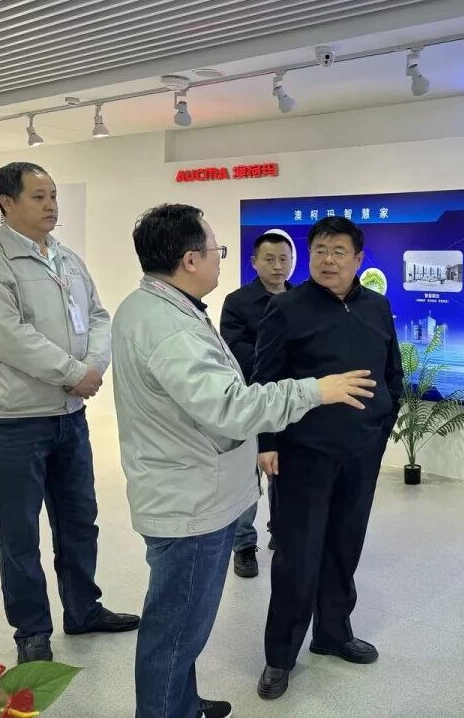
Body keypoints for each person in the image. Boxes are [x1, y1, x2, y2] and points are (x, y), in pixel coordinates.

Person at [111, 204, 375, 718]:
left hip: (187, 485)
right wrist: (314, 391)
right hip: (190, 500)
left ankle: (182, 703)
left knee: (180, 627)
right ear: (190, 259)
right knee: (175, 631)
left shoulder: (157, 308)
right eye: (216, 249)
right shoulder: (173, 329)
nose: (219, 258)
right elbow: (231, 407)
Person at [0, 162, 139, 664]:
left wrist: (93, 367)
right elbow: (8, 337)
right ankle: (31, 632)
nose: (51, 205)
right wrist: (72, 371)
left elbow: (98, 316)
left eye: (53, 195)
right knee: (19, 533)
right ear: (7, 202)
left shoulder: (67, 259)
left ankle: (83, 610)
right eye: (38, 196)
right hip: (13, 422)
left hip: (69, 416)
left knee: (80, 520)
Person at [255, 216, 403, 701]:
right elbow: (265, 381)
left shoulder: (377, 306)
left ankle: (334, 633)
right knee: (297, 555)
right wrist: (267, 442)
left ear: (358, 259)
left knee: (344, 545)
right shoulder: (286, 308)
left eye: (339, 251)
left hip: (361, 452)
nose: (328, 260)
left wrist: (382, 425)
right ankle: (280, 656)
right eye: (320, 250)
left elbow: (392, 372)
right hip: (304, 453)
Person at [219, 232, 293, 577]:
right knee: (249, 477)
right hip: (252, 400)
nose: (277, 266)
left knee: (287, 472)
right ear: (254, 262)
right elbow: (238, 352)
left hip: (291, 401)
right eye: (269, 259)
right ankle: (244, 546)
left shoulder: (303, 299)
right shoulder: (238, 302)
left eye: (283, 259)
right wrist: (284, 365)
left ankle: (281, 531)